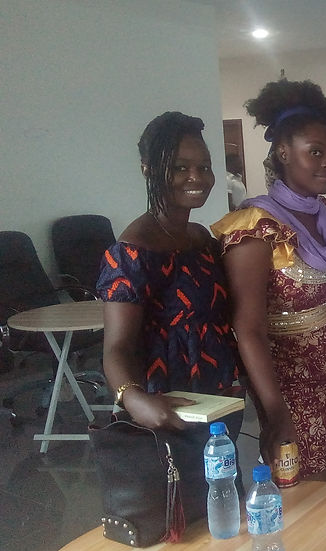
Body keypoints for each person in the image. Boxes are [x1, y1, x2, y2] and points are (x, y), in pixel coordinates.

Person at [211, 79, 326, 482]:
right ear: (283, 153)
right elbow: (247, 329)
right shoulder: (255, 229)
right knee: (299, 498)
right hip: (291, 388)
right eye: (315, 152)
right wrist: (275, 413)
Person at [99, 111, 240, 430]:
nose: (197, 177)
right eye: (180, 167)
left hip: (219, 400)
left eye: (204, 167)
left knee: (227, 479)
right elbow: (116, 347)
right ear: (148, 170)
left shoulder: (200, 238)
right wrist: (132, 399)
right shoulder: (133, 252)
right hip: (166, 407)